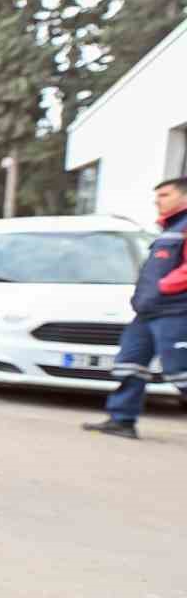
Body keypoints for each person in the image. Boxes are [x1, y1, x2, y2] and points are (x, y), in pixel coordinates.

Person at [83, 177, 187, 439]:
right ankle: (122, 420)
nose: (157, 200)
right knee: (129, 364)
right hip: (148, 312)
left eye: (164, 194)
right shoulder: (170, 229)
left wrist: (164, 286)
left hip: (176, 311)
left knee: (180, 370)